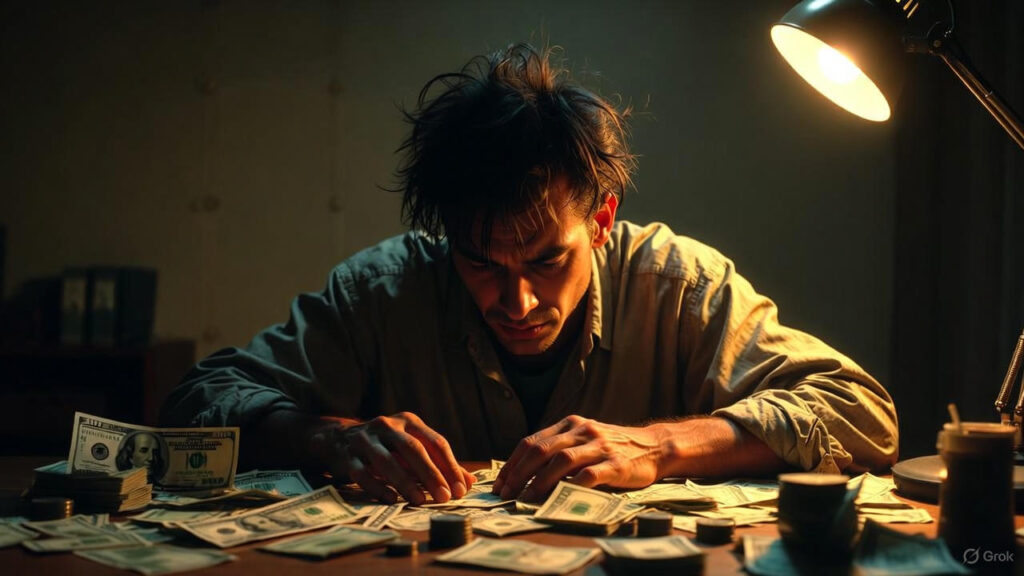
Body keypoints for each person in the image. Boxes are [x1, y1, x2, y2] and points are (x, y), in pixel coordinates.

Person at [160, 43, 898, 506]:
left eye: (547, 259)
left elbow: (860, 411)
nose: (515, 300)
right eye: (479, 263)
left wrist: (659, 446)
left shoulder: (676, 283)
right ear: (443, 234)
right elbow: (197, 399)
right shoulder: (383, 292)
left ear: (602, 219)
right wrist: (324, 438)